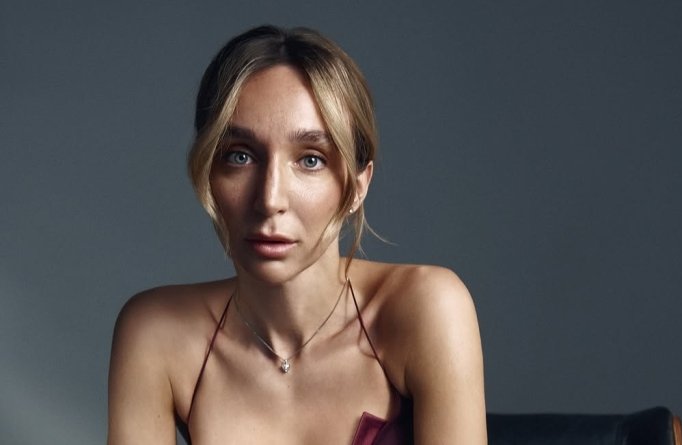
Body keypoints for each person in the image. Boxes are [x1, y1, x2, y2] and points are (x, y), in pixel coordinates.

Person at [108, 25, 486, 444]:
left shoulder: (427, 307)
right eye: (240, 156)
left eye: (310, 160)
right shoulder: (156, 332)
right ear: (208, 171)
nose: (270, 199)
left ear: (358, 185)